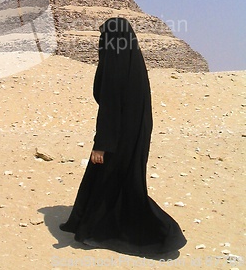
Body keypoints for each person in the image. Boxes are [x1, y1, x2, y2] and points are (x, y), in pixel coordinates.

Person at [60, 17, 187, 256]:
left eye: (103, 38)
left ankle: (162, 234)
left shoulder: (115, 64)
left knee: (112, 178)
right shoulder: (132, 60)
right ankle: (84, 224)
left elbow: (110, 105)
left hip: (117, 135)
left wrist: (102, 145)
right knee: (113, 179)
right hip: (135, 132)